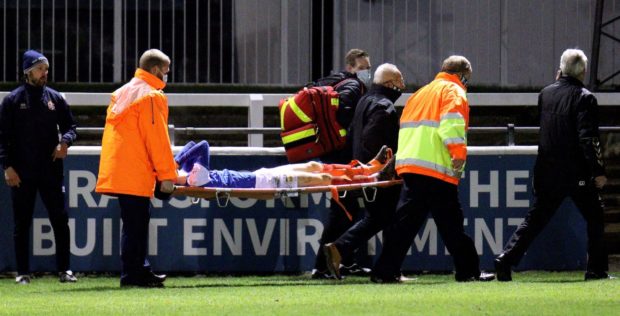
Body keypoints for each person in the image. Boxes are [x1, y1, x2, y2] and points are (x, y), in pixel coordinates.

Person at [371, 56, 495, 283]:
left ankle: (384, 271)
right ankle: (468, 272)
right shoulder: (454, 91)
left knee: (405, 224)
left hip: (412, 166)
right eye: (468, 78)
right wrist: (458, 155)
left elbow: (407, 129)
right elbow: (452, 124)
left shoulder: (421, 93)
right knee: (452, 224)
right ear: (462, 74)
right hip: (436, 168)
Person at [494, 49, 613, 281]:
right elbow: (588, 137)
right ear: (584, 72)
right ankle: (596, 269)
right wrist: (598, 171)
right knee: (596, 217)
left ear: (560, 69)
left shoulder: (545, 93)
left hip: (547, 169)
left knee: (536, 219)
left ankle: (505, 259)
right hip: (576, 171)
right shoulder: (585, 97)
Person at [96, 49, 177, 288]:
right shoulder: (151, 96)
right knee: (137, 226)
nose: (167, 75)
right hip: (136, 170)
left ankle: (137, 271)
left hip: (122, 169)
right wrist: (166, 176)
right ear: (155, 70)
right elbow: (158, 140)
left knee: (133, 225)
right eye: (166, 71)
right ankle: (134, 275)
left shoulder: (121, 94)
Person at [0, 50, 78, 285]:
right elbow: (3, 138)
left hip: (51, 171)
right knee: (22, 223)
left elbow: (71, 127)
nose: (45, 73)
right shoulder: (12, 100)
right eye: (40, 68)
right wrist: (7, 167)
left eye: (46, 68)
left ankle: (65, 270)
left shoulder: (55, 98)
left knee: (60, 220)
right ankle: (23, 272)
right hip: (22, 172)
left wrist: (65, 142)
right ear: (28, 71)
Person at [323, 63, 404, 280]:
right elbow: (373, 140)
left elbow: (352, 137)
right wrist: (381, 167)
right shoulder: (384, 106)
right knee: (384, 218)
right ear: (390, 83)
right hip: (380, 174)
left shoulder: (364, 101)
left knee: (381, 218)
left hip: (362, 171)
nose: (403, 86)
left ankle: (387, 270)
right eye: (400, 81)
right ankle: (341, 249)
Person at [312, 48, 373, 279]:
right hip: (342, 158)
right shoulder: (352, 86)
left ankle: (346, 261)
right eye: (363, 68)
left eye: (368, 67)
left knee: (350, 210)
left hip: (334, 156)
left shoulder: (333, 83)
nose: (367, 72)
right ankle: (321, 266)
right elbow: (344, 113)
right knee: (342, 211)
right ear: (350, 68)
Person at [174, 140, 393, 189]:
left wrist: (172, 165)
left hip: (261, 175)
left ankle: (366, 168)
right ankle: (372, 178)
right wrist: (175, 162)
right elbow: (202, 145)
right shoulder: (196, 179)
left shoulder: (187, 173)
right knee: (322, 179)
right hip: (264, 184)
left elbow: (191, 144)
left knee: (313, 166)